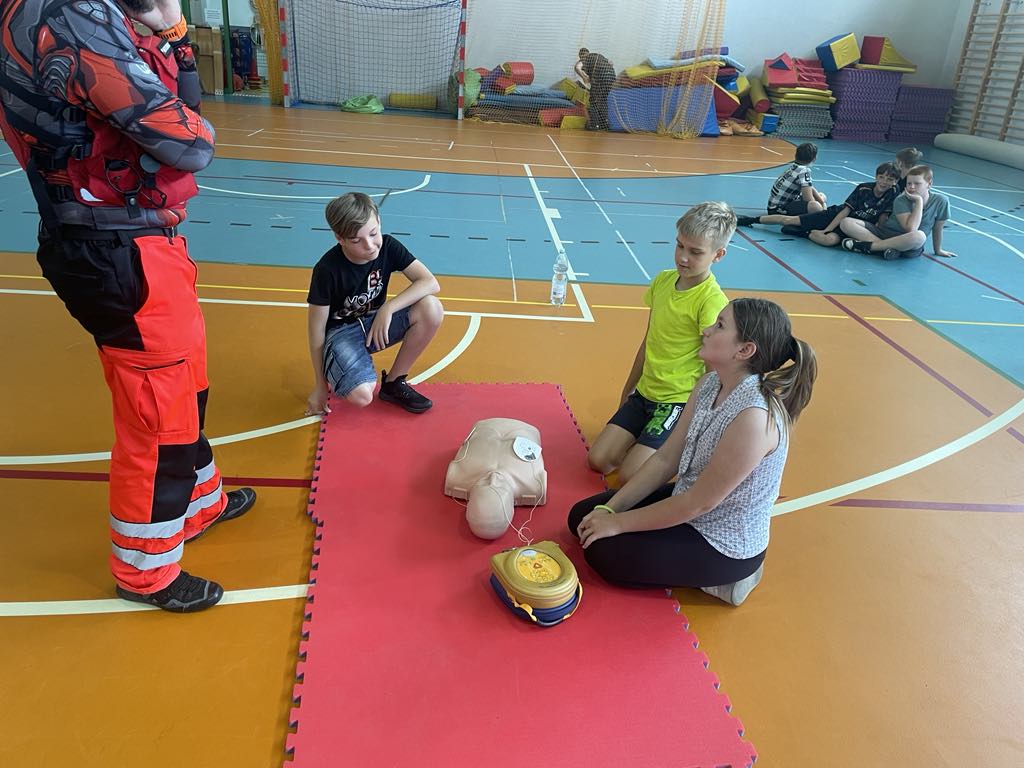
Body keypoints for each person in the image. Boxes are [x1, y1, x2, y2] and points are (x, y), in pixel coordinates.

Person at [0, 0, 256, 612]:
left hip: (136, 242)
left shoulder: (69, 14)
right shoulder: (66, 16)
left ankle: (200, 504)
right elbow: (190, 140)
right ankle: (147, 571)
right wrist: (165, 36)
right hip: (117, 248)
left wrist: (170, 33)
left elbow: (172, 112)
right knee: (159, 418)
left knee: (186, 385)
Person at [569, 298, 817, 606]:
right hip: (688, 501)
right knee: (581, 518)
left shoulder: (754, 418)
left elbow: (698, 504)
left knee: (602, 552)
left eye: (720, 326)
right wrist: (611, 510)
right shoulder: (710, 382)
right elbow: (664, 458)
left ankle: (732, 580)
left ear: (744, 350)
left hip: (722, 541)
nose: (707, 331)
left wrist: (618, 523)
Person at [588, 202, 732, 484]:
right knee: (598, 460)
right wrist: (628, 389)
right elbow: (648, 340)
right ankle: (645, 440)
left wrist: (702, 419)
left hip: (676, 402)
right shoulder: (663, 282)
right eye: (680, 246)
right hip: (645, 394)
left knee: (630, 476)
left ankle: (677, 448)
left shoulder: (711, 301)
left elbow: (712, 367)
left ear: (718, 255)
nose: (683, 257)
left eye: (695, 252)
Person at [306, 192, 443, 416]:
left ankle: (394, 383)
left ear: (379, 221)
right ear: (339, 238)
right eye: (356, 240)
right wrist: (320, 386)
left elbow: (430, 282)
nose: (370, 245)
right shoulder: (327, 270)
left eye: (373, 233)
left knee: (431, 307)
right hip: (341, 335)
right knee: (362, 395)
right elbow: (316, 331)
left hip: (374, 323)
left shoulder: (388, 246)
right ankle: (351, 369)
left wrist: (388, 308)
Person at [739, 162, 900, 248]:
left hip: (853, 226)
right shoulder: (864, 188)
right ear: (876, 177)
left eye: (890, 179)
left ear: (895, 181)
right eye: (882, 177)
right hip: (835, 216)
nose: (885, 182)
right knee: (790, 220)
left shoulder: (893, 193)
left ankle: (803, 233)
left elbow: (883, 217)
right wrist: (828, 227)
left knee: (829, 241)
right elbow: (845, 211)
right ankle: (751, 220)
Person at [840, 164, 956, 260]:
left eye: (917, 184)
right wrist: (919, 201)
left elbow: (925, 230)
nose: (912, 187)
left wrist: (938, 250)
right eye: (909, 183)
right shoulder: (901, 199)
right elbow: (909, 227)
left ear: (929, 184)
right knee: (846, 222)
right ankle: (886, 249)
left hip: (908, 243)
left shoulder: (941, 201)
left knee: (920, 236)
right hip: (885, 234)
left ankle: (868, 246)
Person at [736, 143, 827, 226]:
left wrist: (822, 202)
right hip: (778, 210)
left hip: (776, 205)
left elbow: (809, 187)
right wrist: (822, 209)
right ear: (814, 158)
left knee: (821, 196)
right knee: (815, 206)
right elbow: (808, 199)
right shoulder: (804, 170)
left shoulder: (795, 166)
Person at [575, 47, 616, 130]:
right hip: (611, 77)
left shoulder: (585, 58)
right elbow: (611, 63)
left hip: (601, 79)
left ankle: (594, 125)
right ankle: (605, 124)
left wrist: (584, 77)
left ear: (581, 55)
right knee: (603, 100)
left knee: (593, 101)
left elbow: (577, 67)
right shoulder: (598, 56)